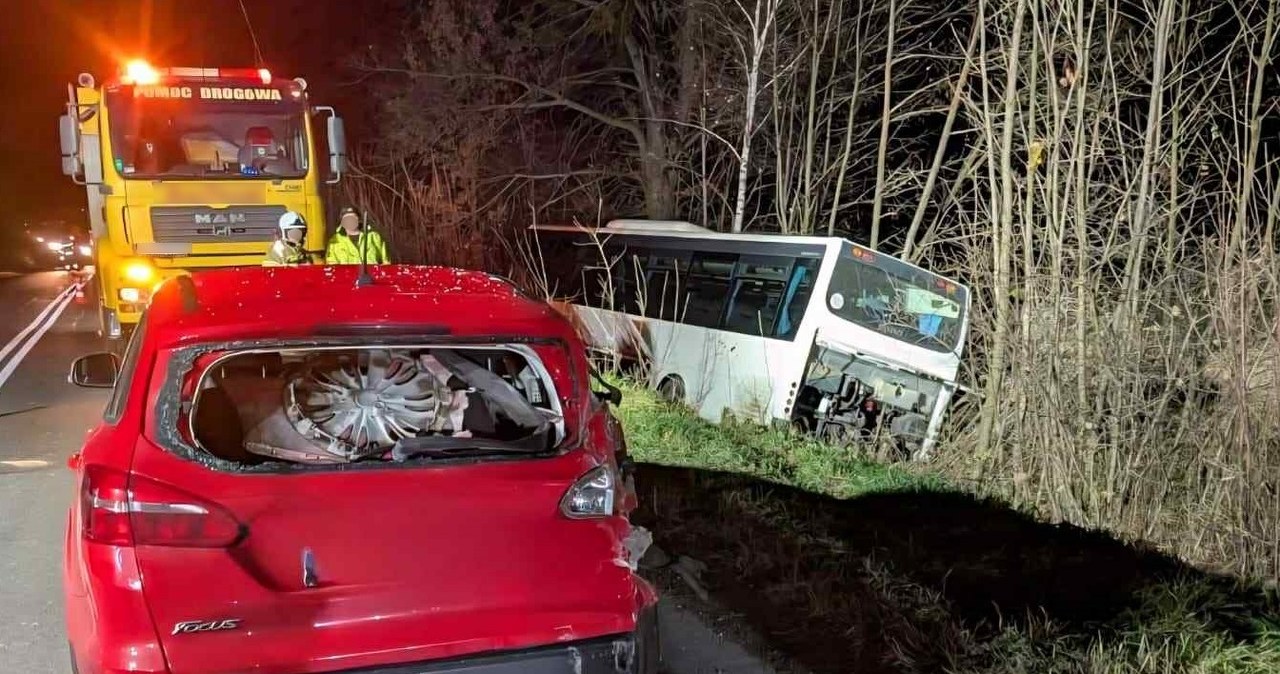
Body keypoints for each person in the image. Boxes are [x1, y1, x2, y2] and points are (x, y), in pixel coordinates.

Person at [325, 206, 390, 265]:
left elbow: (386, 262)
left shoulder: (373, 236)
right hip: (347, 277)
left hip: (371, 277)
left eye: (353, 217)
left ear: (359, 220)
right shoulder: (335, 241)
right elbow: (332, 265)